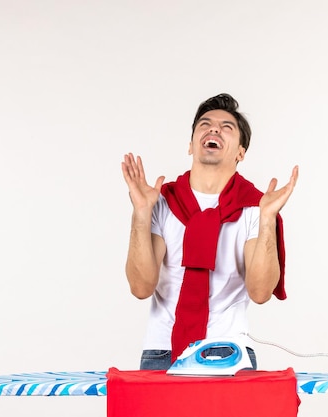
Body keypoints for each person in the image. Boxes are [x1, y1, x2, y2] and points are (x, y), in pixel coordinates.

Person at [121, 93, 298, 370]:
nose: (213, 129)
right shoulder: (162, 202)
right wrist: (141, 213)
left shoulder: (254, 208)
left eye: (227, 127)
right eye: (204, 124)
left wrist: (267, 220)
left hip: (229, 352)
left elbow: (261, 292)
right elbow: (141, 287)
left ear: (241, 152)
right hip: (162, 351)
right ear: (191, 145)